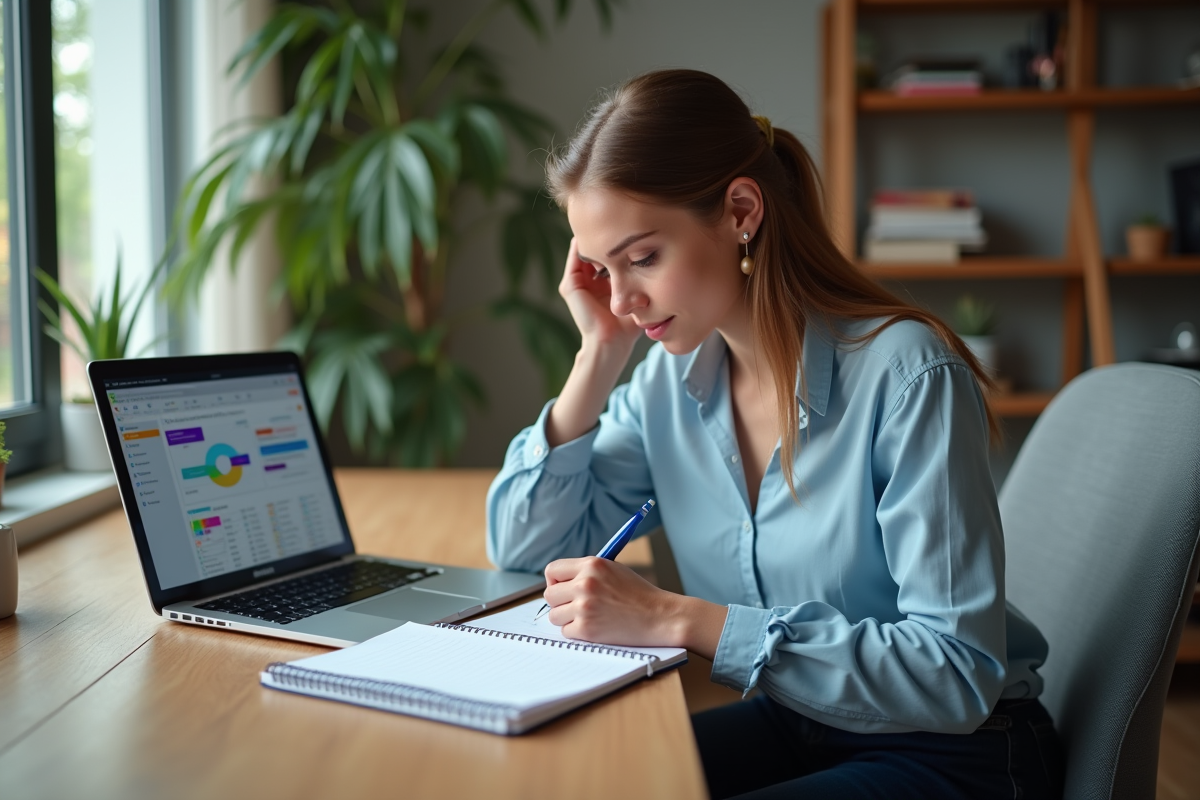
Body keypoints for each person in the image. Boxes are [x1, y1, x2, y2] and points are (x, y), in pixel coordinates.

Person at [485, 69, 1063, 799]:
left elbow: (955, 674)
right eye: (602, 270)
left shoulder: (907, 376)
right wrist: (596, 356)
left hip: (960, 751)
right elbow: (525, 551)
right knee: (581, 784)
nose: (623, 299)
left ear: (740, 211)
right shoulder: (668, 382)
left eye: (643, 259)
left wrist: (676, 618)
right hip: (803, 724)